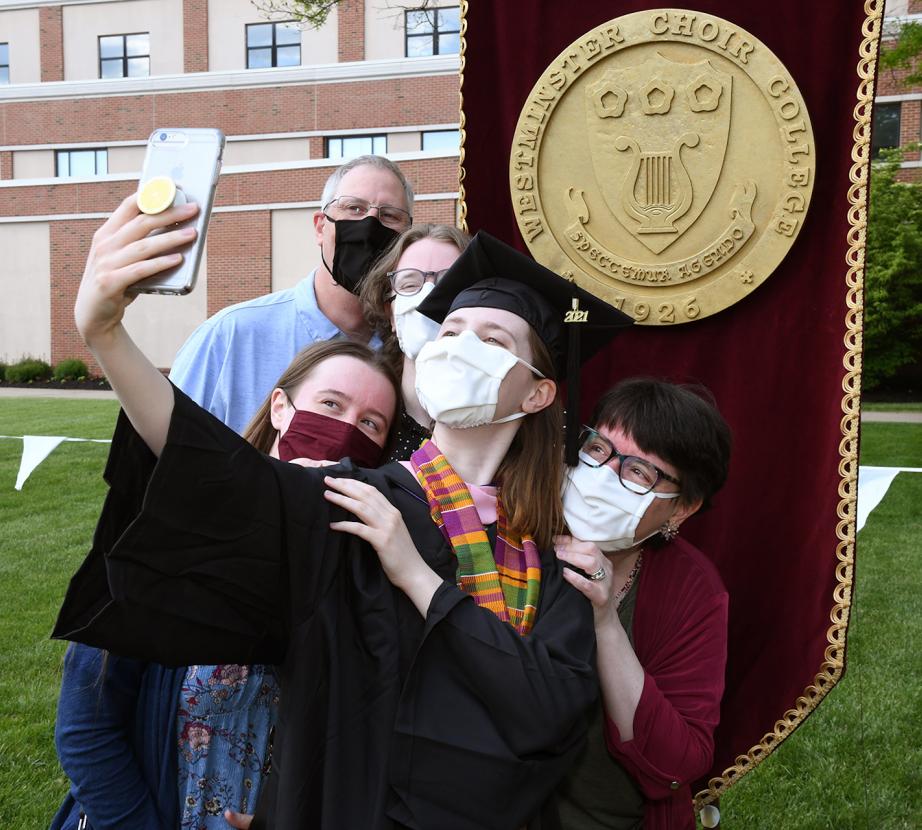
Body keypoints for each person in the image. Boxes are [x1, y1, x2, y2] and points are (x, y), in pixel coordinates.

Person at [53, 195, 633, 828]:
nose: (458, 348)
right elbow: (214, 473)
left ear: (538, 392)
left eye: (492, 339)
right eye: (451, 333)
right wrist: (106, 337)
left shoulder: (548, 553)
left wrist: (421, 580)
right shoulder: (354, 502)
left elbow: (549, 714)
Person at [50, 340, 401, 830]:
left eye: (370, 424)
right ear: (281, 407)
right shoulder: (183, 521)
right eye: (330, 404)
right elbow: (87, 727)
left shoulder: (368, 569)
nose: (344, 431)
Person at [553, 378, 732, 830]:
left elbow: (677, 764)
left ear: (681, 509)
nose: (603, 476)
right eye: (597, 450)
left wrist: (605, 621)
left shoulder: (693, 590)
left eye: (638, 472)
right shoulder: (519, 529)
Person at [170, 154, 414, 435]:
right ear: (321, 227)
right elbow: (163, 451)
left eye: (389, 215)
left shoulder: (412, 346)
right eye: (354, 208)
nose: (370, 226)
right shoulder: (230, 336)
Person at [360, 223, 471, 461]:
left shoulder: (505, 422)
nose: (429, 295)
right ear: (390, 313)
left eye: (448, 284)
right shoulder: (366, 415)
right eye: (409, 285)